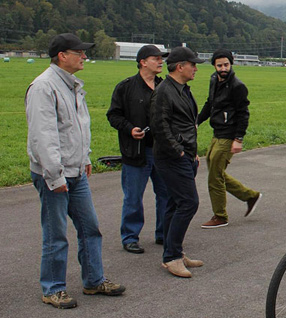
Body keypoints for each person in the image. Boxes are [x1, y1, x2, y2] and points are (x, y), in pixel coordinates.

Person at [25, 33, 125, 309]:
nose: (84, 57)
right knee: (56, 233)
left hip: (76, 170)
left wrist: (85, 158)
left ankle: (94, 280)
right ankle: (53, 288)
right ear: (62, 56)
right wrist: (54, 176)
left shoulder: (72, 86)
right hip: (54, 175)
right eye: (79, 52)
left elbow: (76, 129)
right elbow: (43, 137)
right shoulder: (44, 87)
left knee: (90, 227)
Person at [107, 45, 169, 254]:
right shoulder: (125, 87)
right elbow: (113, 115)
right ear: (142, 62)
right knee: (133, 196)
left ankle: (163, 233)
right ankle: (130, 237)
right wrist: (129, 129)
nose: (160, 62)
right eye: (156, 58)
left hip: (161, 151)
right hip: (136, 151)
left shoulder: (165, 87)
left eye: (162, 59)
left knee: (165, 194)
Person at [149, 46, 205, 278]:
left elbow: (187, 124)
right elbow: (159, 126)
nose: (195, 68)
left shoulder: (182, 90)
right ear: (180, 66)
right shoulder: (164, 91)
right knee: (189, 203)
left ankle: (175, 252)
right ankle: (171, 257)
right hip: (172, 158)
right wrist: (180, 152)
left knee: (175, 204)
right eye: (192, 64)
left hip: (185, 156)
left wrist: (192, 153)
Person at [197, 49, 262, 229]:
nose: (223, 68)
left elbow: (243, 114)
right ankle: (250, 196)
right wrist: (197, 121)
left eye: (226, 64)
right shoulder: (213, 80)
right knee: (215, 171)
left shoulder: (237, 86)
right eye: (220, 65)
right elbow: (209, 103)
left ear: (231, 64)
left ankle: (220, 216)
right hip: (217, 132)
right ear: (214, 66)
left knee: (214, 177)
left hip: (229, 135)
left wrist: (238, 139)